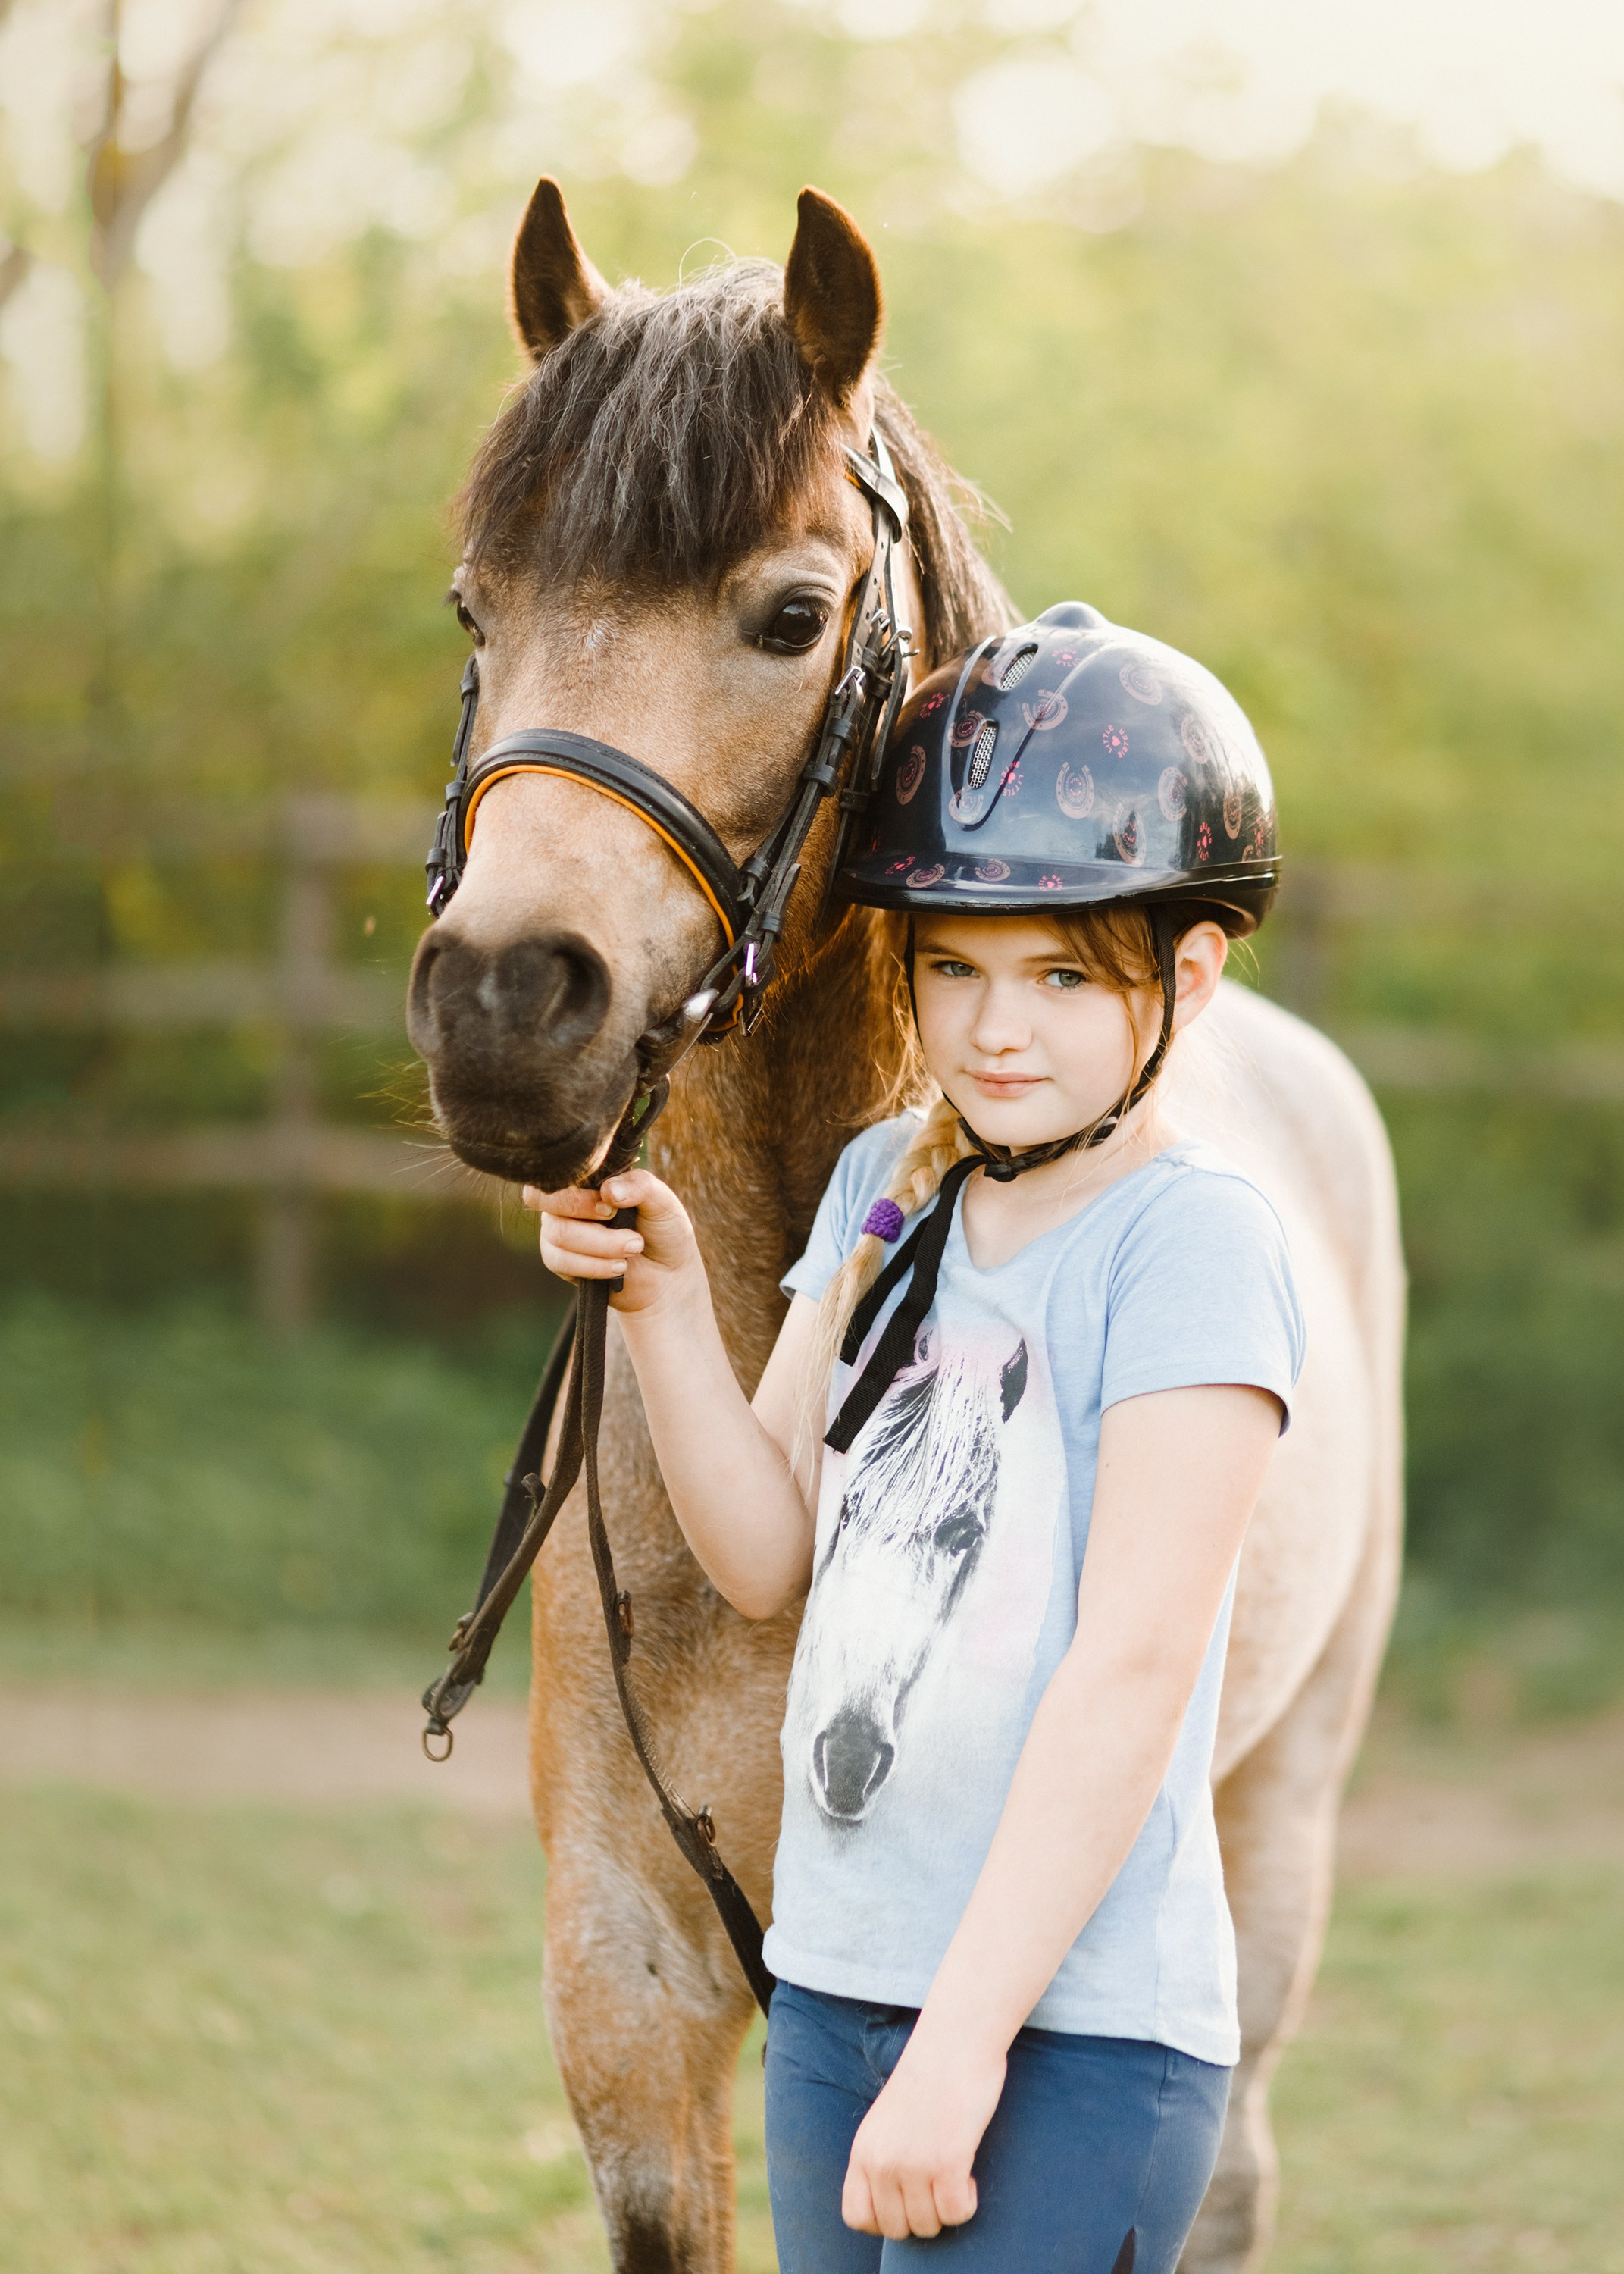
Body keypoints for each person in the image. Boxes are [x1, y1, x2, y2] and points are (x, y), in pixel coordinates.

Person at [528, 603, 1304, 2273]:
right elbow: (761, 1556)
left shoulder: (1191, 1244)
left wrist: (961, 2054)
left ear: (1187, 974)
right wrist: (664, 1307)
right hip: (836, 1990)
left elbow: (1130, 1675)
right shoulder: (890, 1180)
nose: (991, 1030)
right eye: (950, 968)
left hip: (1070, 2030)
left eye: (1056, 977)